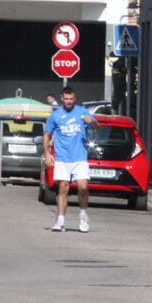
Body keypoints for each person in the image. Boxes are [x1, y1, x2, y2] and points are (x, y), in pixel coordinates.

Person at [43, 86, 100, 232]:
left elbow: (98, 127)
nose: (69, 102)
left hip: (79, 157)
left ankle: (83, 215)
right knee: (63, 188)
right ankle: (60, 221)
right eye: (66, 99)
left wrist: (91, 122)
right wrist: (47, 153)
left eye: (71, 99)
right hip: (62, 157)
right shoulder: (55, 116)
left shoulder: (81, 112)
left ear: (75, 99)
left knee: (83, 187)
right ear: (61, 98)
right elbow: (47, 135)